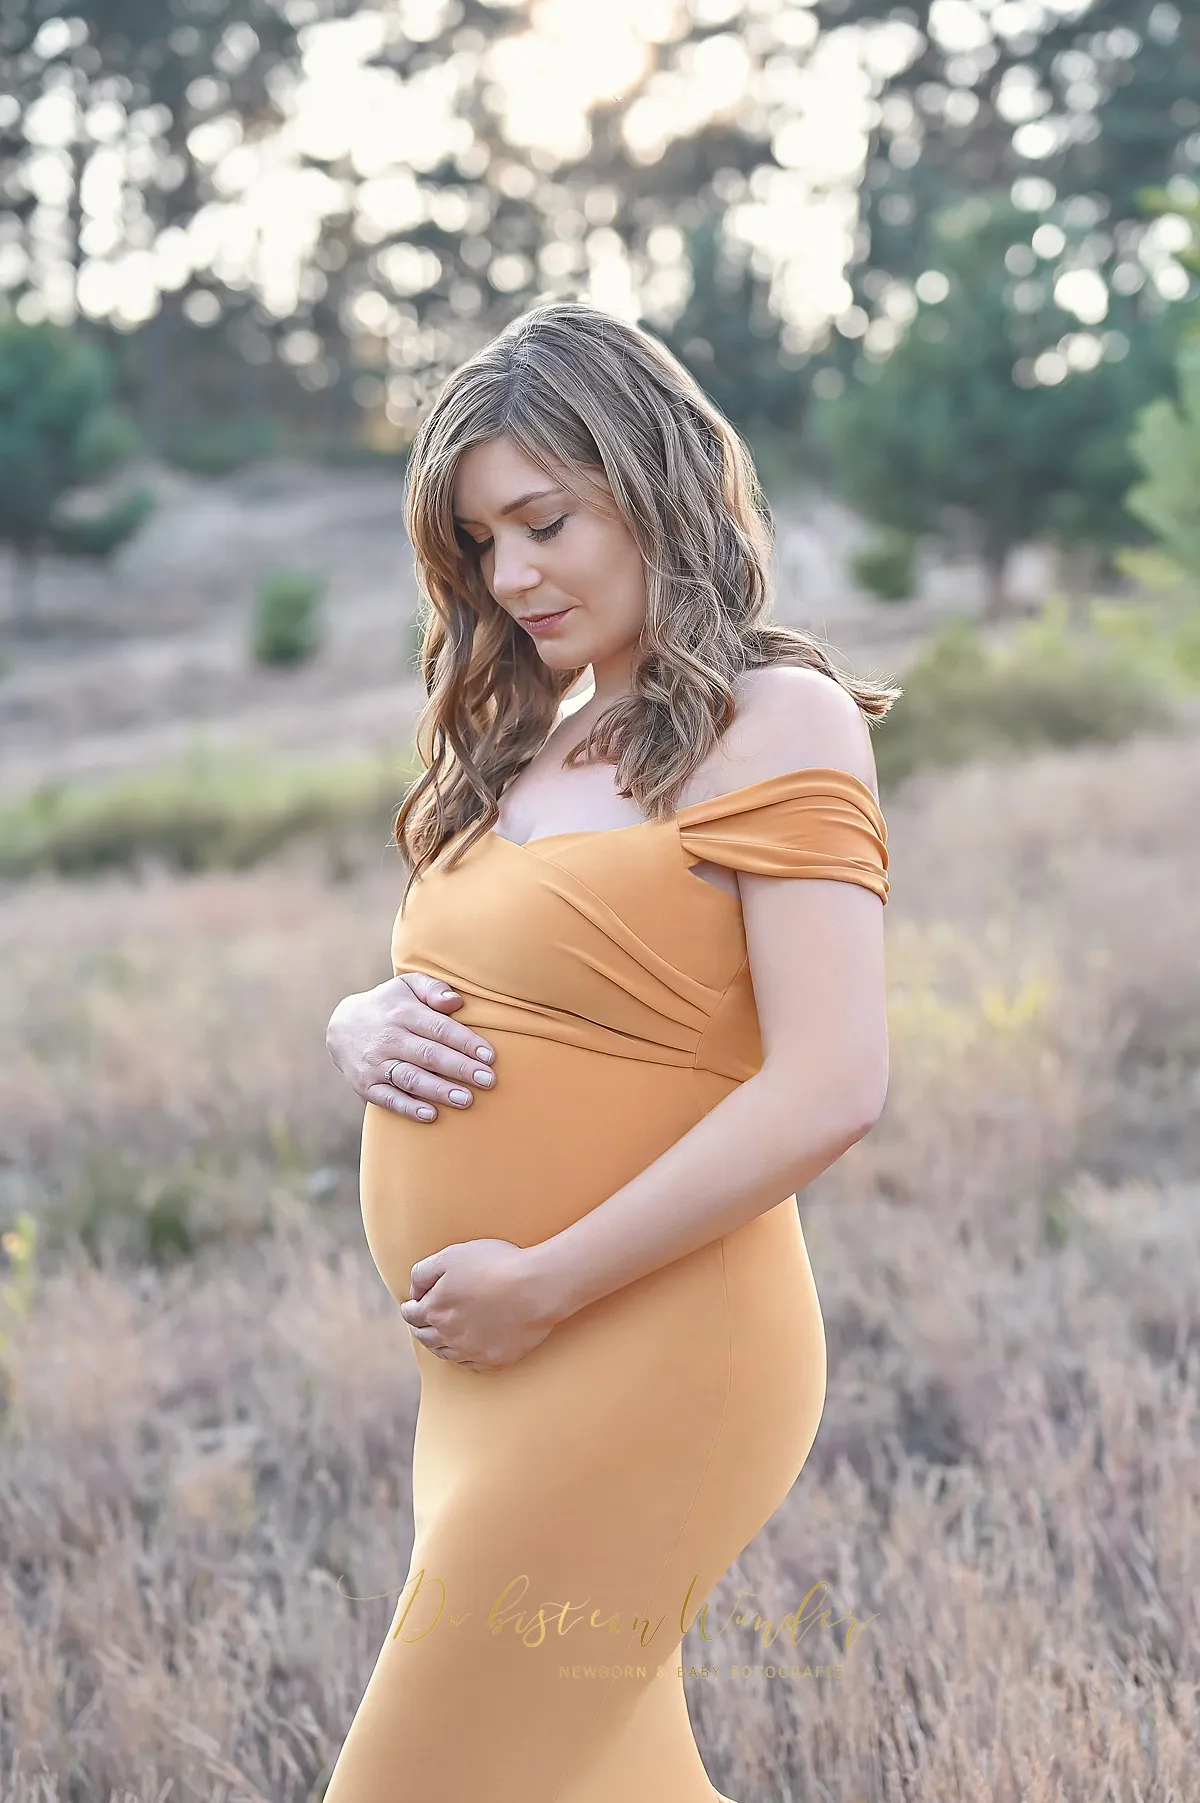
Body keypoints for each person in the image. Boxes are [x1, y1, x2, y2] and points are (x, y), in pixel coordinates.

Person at [322, 299, 898, 1802]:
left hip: (648, 1346)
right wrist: (357, 1019)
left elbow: (834, 1082)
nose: (512, 577)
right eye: (478, 546)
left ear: (648, 480)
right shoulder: (531, 736)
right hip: (493, 1366)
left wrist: (545, 1283)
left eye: (544, 521)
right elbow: (471, 971)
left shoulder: (778, 717)